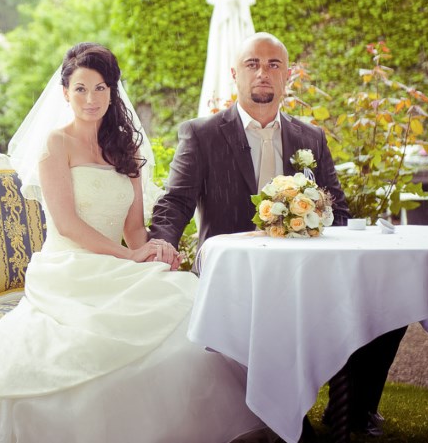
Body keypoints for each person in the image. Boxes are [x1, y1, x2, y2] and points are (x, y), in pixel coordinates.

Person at [0, 43, 270, 443]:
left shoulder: (124, 148)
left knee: (189, 320)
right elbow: (69, 224)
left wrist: (151, 252)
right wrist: (129, 255)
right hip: (69, 269)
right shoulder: (54, 145)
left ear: (112, 92)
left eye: (99, 88)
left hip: (117, 264)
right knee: (93, 348)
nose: (90, 99)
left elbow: (133, 228)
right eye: (80, 89)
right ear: (65, 93)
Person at [148, 31, 403, 437]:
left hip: (305, 268)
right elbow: (175, 201)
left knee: (387, 300)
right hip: (235, 274)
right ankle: (285, 413)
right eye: (252, 64)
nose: (262, 72)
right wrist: (160, 240)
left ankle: (358, 408)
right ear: (235, 74)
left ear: (288, 76)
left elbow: (336, 204)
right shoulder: (202, 134)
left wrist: (321, 216)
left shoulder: (310, 138)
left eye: (273, 65)